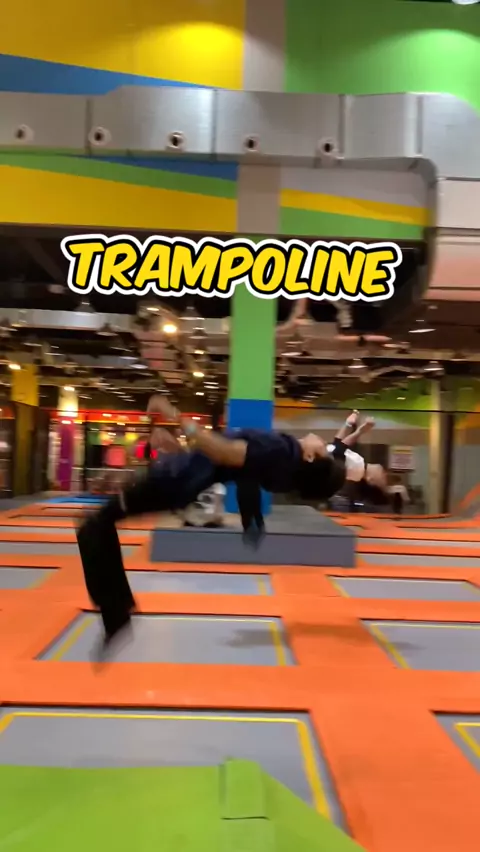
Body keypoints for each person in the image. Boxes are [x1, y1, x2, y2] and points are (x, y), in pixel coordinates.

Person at [76, 399, 366, 658]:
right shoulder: (284, 464)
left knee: (94, 526)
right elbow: (216, 462)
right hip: (179, 479)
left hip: (173, 481)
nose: (323, 442)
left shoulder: (281, 451)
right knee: (97, 525)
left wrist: (174, 414)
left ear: (311, 457)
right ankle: (117, 609)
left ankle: (117, 612)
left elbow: (223, 452)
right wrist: (176, 447)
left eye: (324, 450)